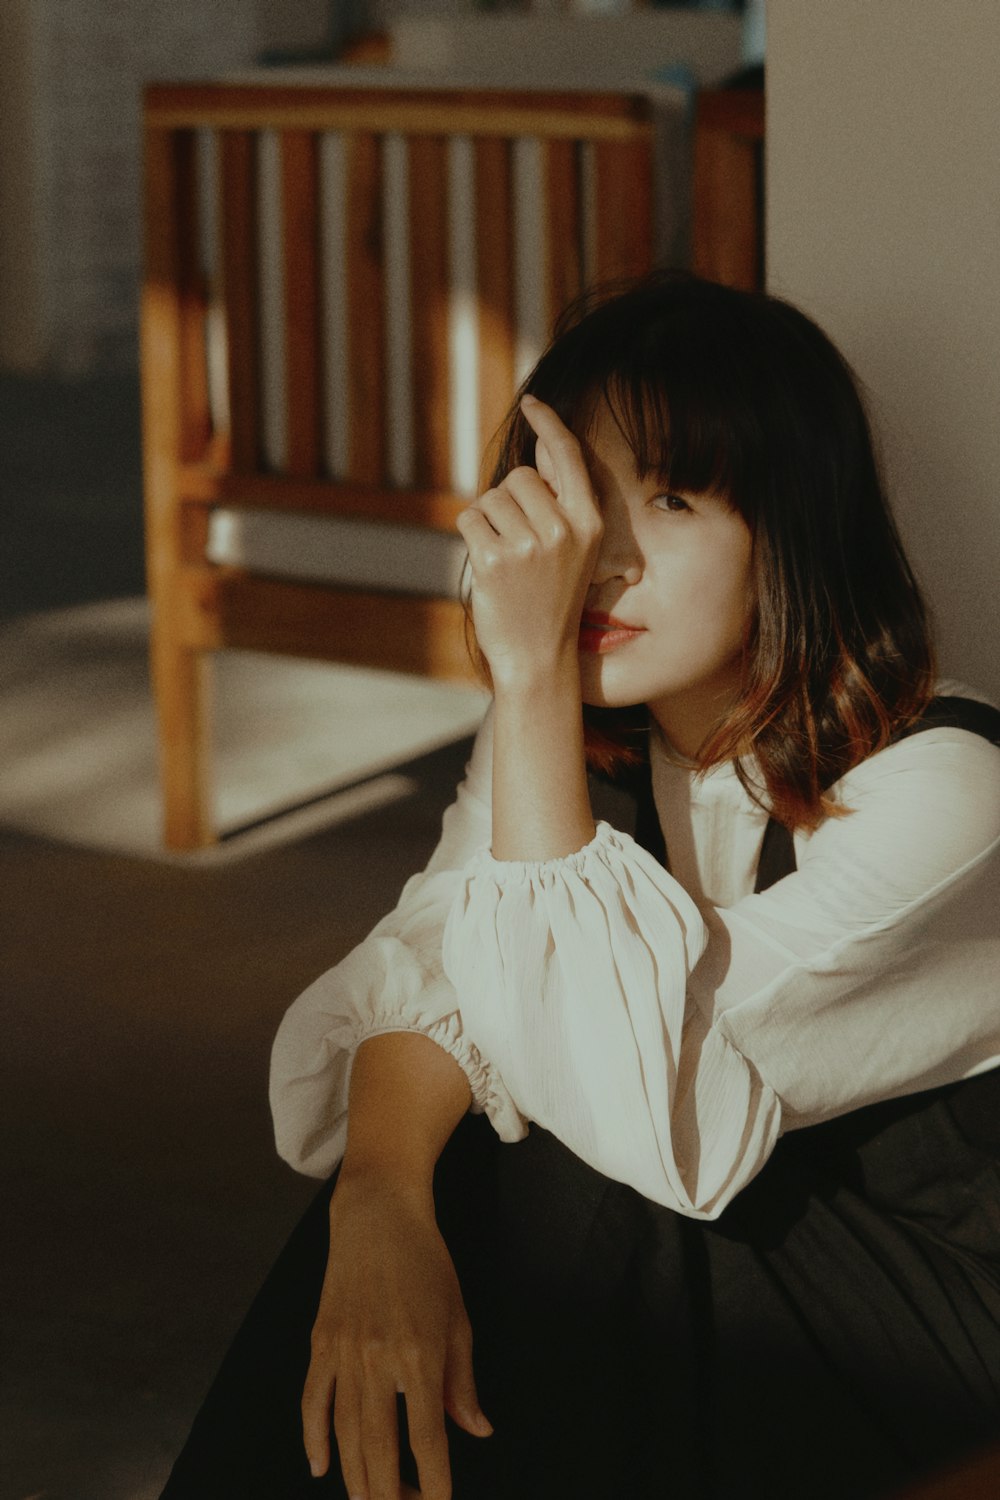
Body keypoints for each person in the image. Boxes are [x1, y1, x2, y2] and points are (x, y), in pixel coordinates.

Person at [161, 273, 1000, 1500]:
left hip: (938, 1328)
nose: (599, 557)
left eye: (667, 499)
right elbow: (431, 962)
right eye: (575, 498)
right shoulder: (580, 744)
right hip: (716, 1281)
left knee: (553, 1149)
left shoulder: (948, 787)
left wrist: (531, 677)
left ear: (792, 527)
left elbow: (651, 1108)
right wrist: (379, 1200)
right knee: (436, 1177)